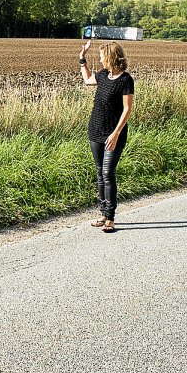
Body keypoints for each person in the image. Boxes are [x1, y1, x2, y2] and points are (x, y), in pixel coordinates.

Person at [79, 40, 134, 233]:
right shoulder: (102, 75)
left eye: (102, 56)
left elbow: (127, 109)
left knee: (107, 173)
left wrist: (116, 133)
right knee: (99, 173)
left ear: (111, 57)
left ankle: (110, 217)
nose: (100, 60)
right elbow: (87, 80)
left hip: (114, 134)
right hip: (95, 130)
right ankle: (103, 213)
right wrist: (82, 59)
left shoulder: (125, 80)